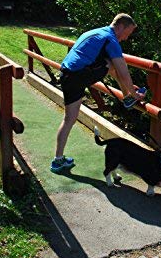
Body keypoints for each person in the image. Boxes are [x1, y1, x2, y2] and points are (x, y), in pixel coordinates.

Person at [50, 13, 145, 173]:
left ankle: (57, 161)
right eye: (127, 33)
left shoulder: (96, 32)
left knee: (69, 119)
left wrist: (128, 88)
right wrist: (135, 95)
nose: (126, 38)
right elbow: (123, 72)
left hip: (67, 75)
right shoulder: (111, 39)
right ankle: (128, 97)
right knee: (110, 63)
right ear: (120, 26)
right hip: (78, 76)